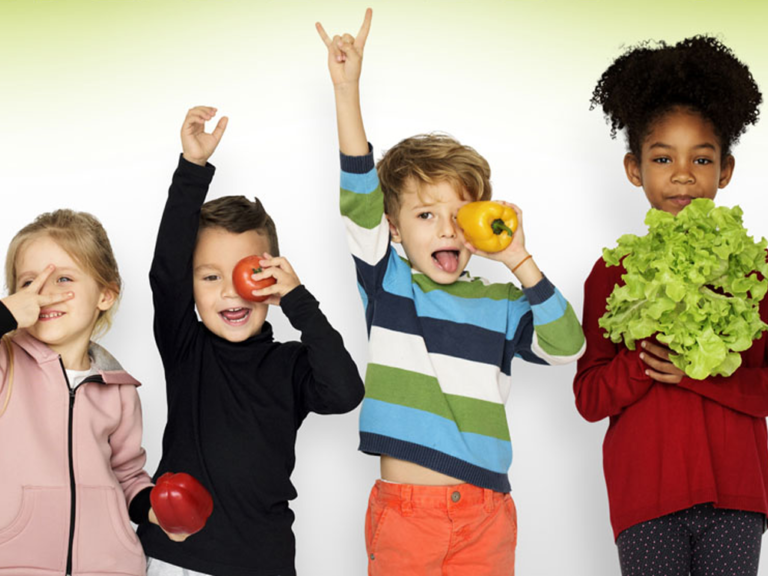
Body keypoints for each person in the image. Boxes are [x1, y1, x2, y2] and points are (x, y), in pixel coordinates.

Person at [316, 10, 585, 575]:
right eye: (424, 213)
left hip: (487, 512)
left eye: (457, 214)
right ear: (393, 228)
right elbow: (359, 195)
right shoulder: (387, 283)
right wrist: (347, 89)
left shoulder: (501, 302)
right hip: (405, 514)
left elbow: (568, 347)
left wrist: (517, 260)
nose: (443, 228)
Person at [137, 106, 365, 576]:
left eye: (245, 273)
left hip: (263, 559)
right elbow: (165, 273)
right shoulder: (186, 349)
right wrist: (192, 169)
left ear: (271, 277)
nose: (228, 291)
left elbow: (345, 393)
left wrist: (299, 300)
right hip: (176, 555)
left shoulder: (291, 365)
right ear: (191, 288)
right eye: (209, 276)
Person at [575, 36, 767, 575]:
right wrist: (640, 366)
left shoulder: (753, 273)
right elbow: (589, 396)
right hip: (647, 498)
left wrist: (697, 375)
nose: (683, 173)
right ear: (635, 168)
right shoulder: (613, 273)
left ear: (724, 170)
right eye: (663, 158)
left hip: (737, 497)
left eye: (701, 158)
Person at [0, 209, 161, 575]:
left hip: (109, 567)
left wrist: (156, 508)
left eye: (64, 279)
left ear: (105, 295)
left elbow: (127, 476)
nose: (45, 294)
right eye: (29, 283)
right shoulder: (5, 365)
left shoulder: (118, 388)